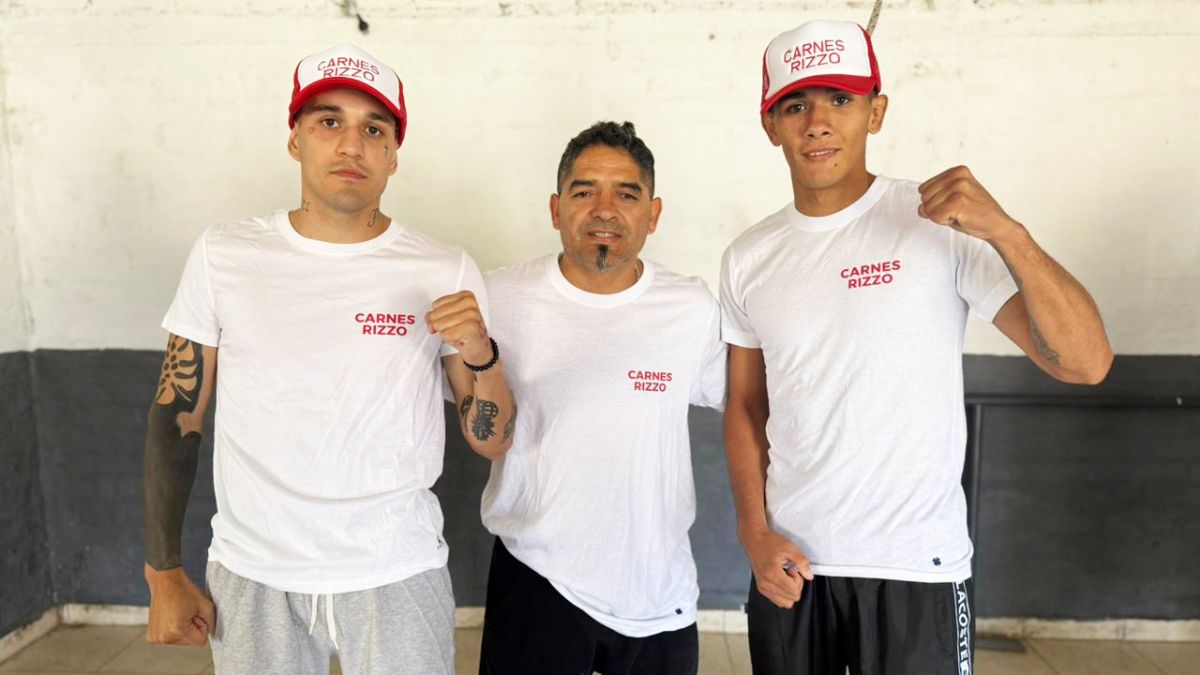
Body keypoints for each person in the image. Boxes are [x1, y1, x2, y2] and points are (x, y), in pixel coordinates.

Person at [720, 20, 1112, 675]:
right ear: (771, 125)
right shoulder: (749, 257)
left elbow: (1085, 362)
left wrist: (1008, 233)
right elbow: (743, 404)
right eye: (796, 104)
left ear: (876, 112)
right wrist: (753, 533)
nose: (817, 121)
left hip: (917, 568)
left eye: (839, 100)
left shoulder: (938, 226)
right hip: (794, 566)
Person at [141, 43, 515, 675]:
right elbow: (175, 416)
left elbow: (492, 442)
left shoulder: (442, 267)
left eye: (374, 129)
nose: (351, 146)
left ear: (394, 155)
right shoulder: (224, 254)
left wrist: (482, 355)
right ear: (295, 140)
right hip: (256, 570)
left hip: (397, 567)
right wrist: (163, 572)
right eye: (328, 122)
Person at [476, 121, 727, 675]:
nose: (605, 209)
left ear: (653, 214)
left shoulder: (690, 309)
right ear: (555, 208)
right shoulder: (497, 297)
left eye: (627, 193)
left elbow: (752, 407)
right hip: (536, 576)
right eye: (585, 191)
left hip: (658, 592)